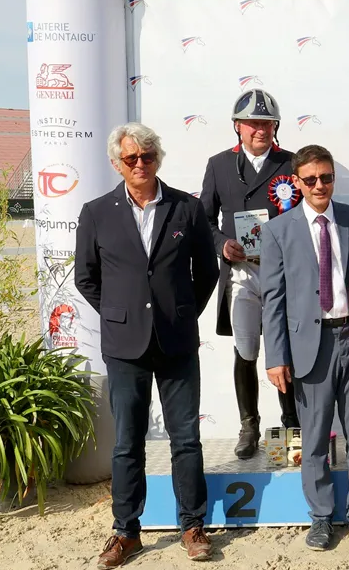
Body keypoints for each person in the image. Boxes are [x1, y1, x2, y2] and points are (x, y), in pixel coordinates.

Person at [74, 123, 219, 568]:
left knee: (186, 440)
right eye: (131, 158)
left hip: (176, 340)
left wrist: (180, 313)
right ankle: (125, 531)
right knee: (126, 444)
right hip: (124, 345)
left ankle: (192, 526)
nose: (140, 164)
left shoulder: (188, 208)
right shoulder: (96, 212)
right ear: (116, 163)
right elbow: (86, 277)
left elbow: (207, 272)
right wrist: (120, 313)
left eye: (148, 156)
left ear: (158, 158)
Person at [259, 145, 349, 551]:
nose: (318, 185)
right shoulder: (277, 230)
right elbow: (272, 298)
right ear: (297, 182)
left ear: (333, 178)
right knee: (313, 440)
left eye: (325, 177)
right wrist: (276, 356)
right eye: (309, 179)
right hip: (309, 346)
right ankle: (322, 518)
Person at [199, 87, 301, 460]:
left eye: (267, 123)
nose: (260, 130)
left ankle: (292, 423)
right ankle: (249, 424)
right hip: (241, 273)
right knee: (246, 350)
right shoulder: (218, 164)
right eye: (253, 123)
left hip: (282, 274)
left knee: (283, 348)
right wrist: (222, 243)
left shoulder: (291, 162)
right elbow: (204, 220)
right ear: (238, 126)